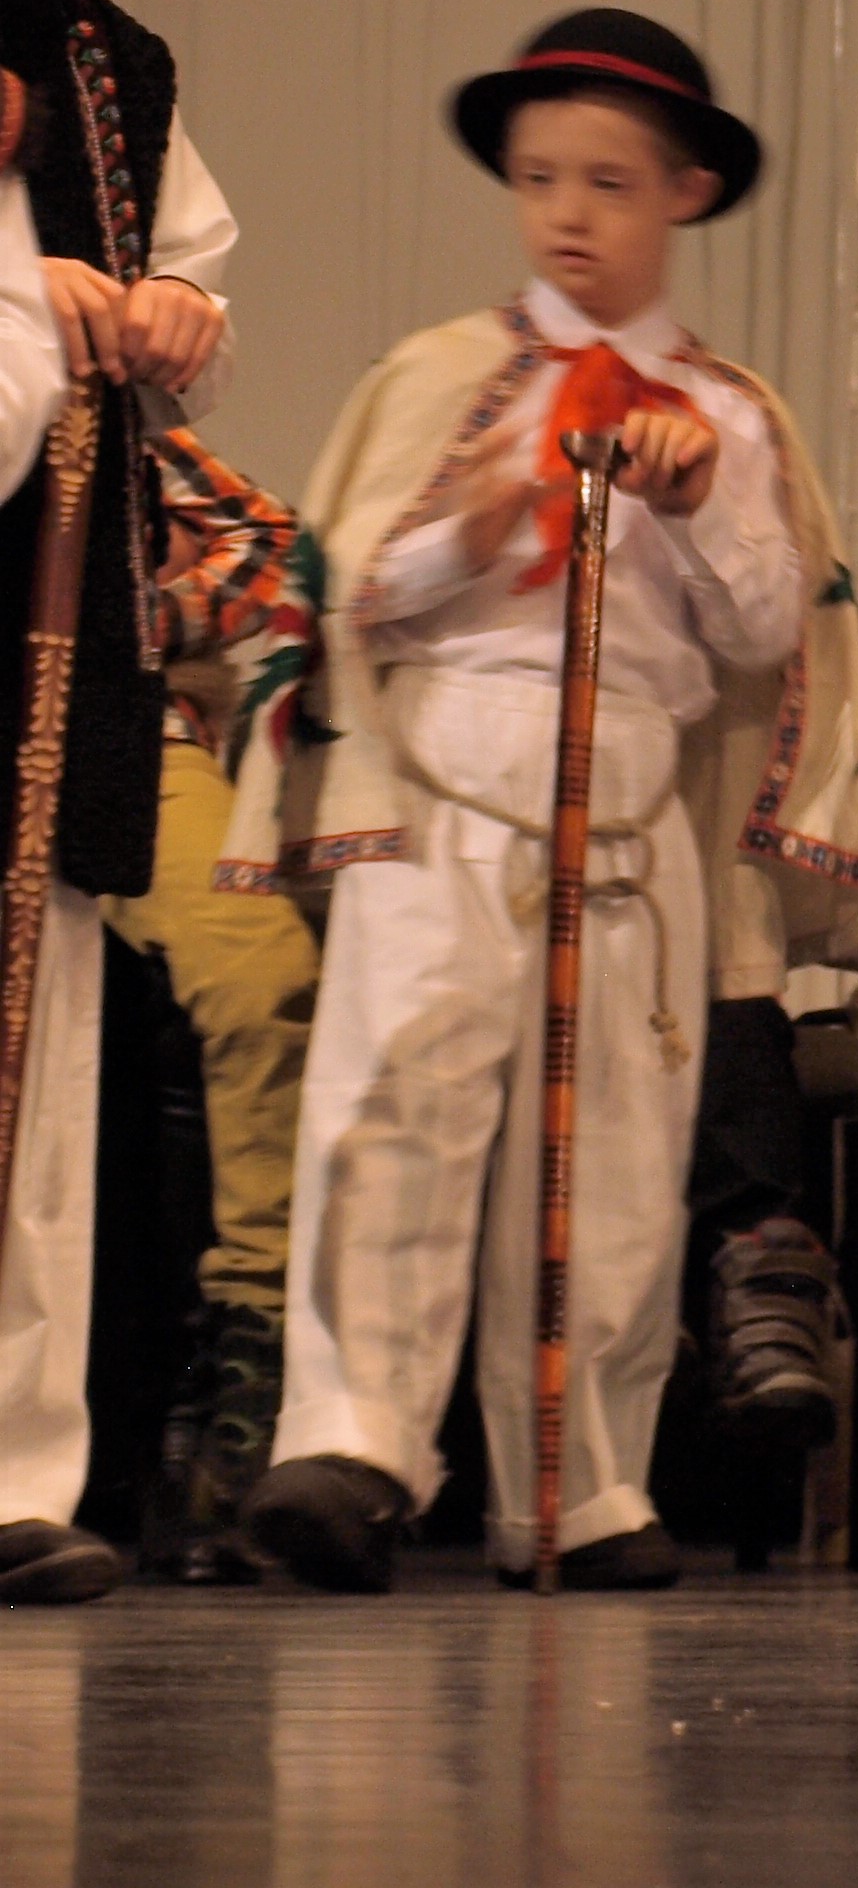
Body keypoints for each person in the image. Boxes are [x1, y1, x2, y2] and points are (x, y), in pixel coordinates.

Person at [227, 11, 858, 1593]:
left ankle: (578, 1476)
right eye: (540, 181)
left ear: (683, 193)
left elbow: (767, 632)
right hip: (448, 788)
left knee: (613, 1146)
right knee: (400, 1104)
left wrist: (693, 500)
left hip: (630, 801)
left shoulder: (729, 411)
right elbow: (354, 583)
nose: (569, 215)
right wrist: (484, 510)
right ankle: (355, 1445)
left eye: (607, 181)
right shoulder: (440, 377)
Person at [0, 0, 244, 1608]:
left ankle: (14, 1465)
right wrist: (39, 305)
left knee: (50, 1019)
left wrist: (164, 314)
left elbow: (192, 264)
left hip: (53, 605)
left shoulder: (114, 63)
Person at [109, 427, 324, 1583]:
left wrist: (133, 616)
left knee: (261, 972)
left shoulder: (106, 403)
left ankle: (252, 1344)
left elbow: (276, 548)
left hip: (122, 738)